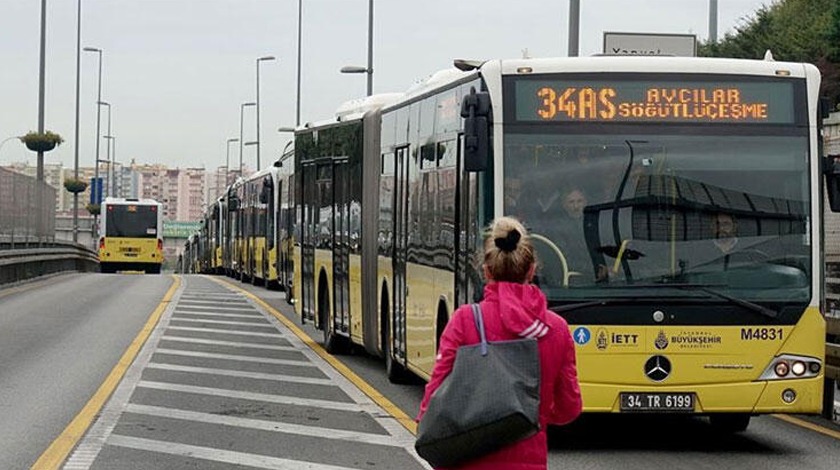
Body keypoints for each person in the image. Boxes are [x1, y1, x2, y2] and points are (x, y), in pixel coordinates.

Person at [416, 216, 582, 469]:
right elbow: (569, 407)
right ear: (532, 269)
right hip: (529, 460)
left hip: (467, 460)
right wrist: (533, 413)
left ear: (486, 270)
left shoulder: (465, 320)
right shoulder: (556, 329)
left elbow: (435, 394)